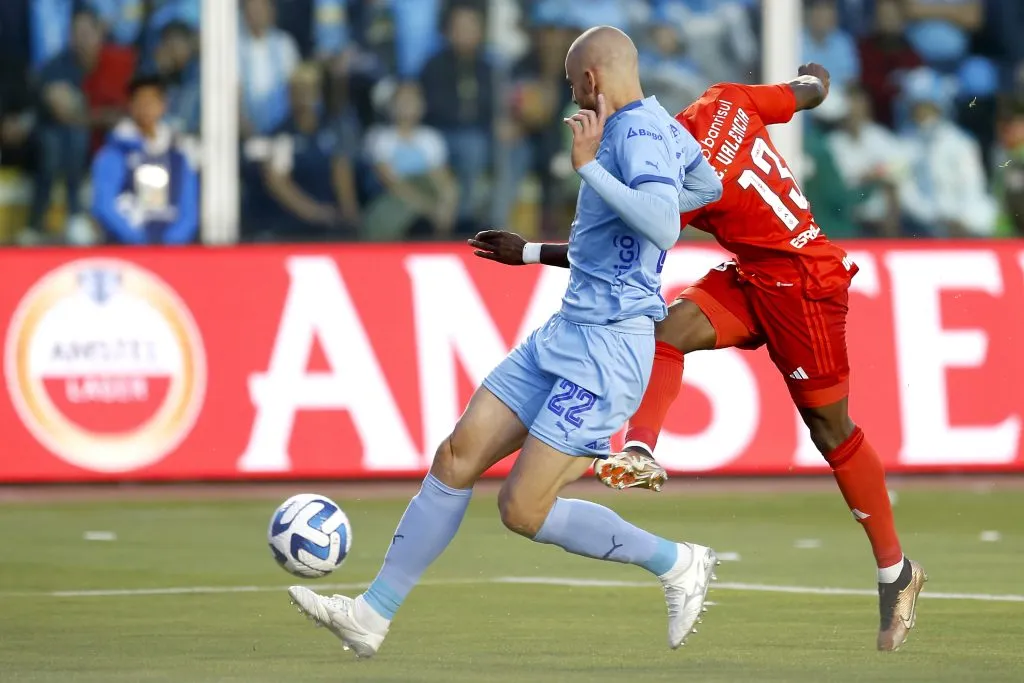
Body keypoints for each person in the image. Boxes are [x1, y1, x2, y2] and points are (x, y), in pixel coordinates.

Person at [289, 26, 723, 657]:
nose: (573, 97)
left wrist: (588, 169)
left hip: (609, 349)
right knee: (457, 456)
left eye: (575, 86)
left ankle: (678, 562)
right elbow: (706, 188)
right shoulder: (660, 124)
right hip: (568, 331)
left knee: (523, 509)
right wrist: (559, 245)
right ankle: (370, 616)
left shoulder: (635, 133)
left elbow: (660, 222)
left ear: (593, 80)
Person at [471, 64, 928, 653]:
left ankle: (897, 573)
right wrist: (814, 80)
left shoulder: (673, 167)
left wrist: (529, 250)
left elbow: (610, 254)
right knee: (668, 330)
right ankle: (640, 448)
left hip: (802, 287)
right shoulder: (728, 101)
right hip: (755, 273)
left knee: (831, 430)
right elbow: (805, 93)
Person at [90, 74, 198, 244]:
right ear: (131, 106)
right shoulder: (115, 153)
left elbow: (188, 211)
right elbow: (104, 206)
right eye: (141, 101)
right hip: (127, 252)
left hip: (172, 253)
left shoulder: (178, 155)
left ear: (163, 106)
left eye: (152, 101)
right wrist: (138, 241)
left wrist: (171, 243)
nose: (146, 108)